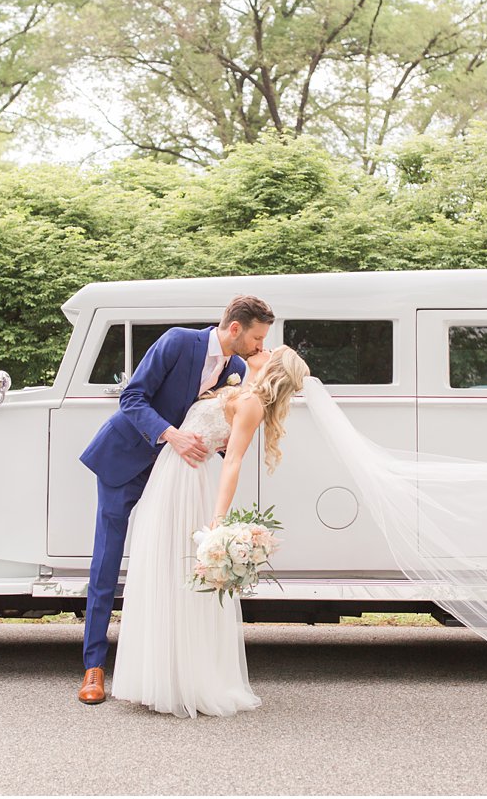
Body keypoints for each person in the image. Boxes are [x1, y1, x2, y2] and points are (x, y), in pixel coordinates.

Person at [75, 295, 274, 704]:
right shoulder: (178, 341)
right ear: (235, 329)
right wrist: (172, 435)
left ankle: (163, 665)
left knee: (167, 564)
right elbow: (132, 398)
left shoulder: (238, 369)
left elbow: (217, 426)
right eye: (256, 338)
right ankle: (93, 668)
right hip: (126, 460)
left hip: (180, 477)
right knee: (107, 562)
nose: (259, 347)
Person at [110, 343, 310, 717]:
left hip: (189, 482)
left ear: (273, 368)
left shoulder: (252, 404)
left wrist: (218, 522)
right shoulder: (241, 389)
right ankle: (162, 676)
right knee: (162, 571)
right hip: (171, 475)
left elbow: (232, 460)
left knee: (178, 575)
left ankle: (187, 681)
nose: (261, 348)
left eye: (270, 350)